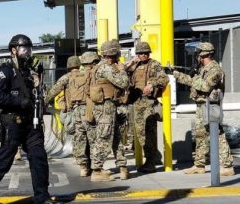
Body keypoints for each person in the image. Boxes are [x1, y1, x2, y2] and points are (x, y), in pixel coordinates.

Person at [0, 34, 60, 204]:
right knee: (4, 161)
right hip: (12, 122)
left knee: (39, 157)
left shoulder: (29, 72)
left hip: (30, 123)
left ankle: (42, 196)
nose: (27, 52)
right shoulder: (5, 70)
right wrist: (19, 101)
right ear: (13, 50)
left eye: (29, 49)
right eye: (23, 49)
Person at [173, 42, 235, 176]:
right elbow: (194, 81)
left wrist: (192, 79)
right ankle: (199, 165)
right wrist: (177, 75)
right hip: (202, 106)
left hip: (211, 106)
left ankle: (227, 165)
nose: (197, 57)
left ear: (203, 55)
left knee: (217, 134)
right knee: (201, 135)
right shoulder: (203, 69)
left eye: (198, 54)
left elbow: (205, 86)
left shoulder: (215, 70)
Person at [125, 41, 169, 173]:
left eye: (145, 53)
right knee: (139, 134)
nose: (143, 55)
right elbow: (121, 75)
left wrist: (151, 84)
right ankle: (148, 160)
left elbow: (164, 78)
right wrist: (131, 64)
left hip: (149, 103)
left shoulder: (154, 64)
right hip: (136, 102)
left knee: (149, 133)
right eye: (140, 53)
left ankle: (150, 162)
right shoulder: (133, 65)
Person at [89, 39, 129, 182]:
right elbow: (123, 83)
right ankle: (97, 170)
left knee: (116, 138)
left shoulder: (102, 66)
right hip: (105, 107)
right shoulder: (106, 67)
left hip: (109, 106)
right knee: (104, 137)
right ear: (113, 53)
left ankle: (122, 166)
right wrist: (123, 69)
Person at [45, 55, 92, 177]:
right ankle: (91, 164)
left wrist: (45, 101)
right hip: (88, 109)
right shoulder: (86, 75)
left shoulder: (66, 77)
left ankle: (81, 163)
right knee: (89, 136)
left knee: (77, 136)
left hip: (73, 110)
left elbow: (54, 90)